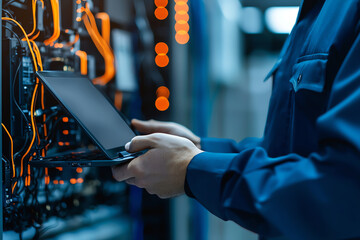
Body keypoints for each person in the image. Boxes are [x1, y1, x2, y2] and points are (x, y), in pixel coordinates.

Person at [112, 0, 360, 239]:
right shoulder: (318, 11)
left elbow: (342, 188)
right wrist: (198, 149)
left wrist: (194, 169)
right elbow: (288, 149)